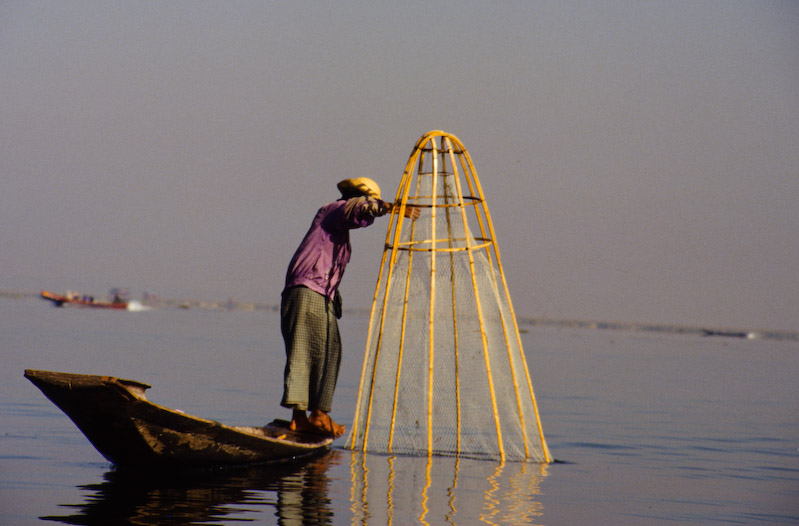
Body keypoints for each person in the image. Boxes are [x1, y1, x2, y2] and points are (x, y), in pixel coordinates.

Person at [280, 177, 419, 438]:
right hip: (306, 290)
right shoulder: (331, 210)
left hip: (319, 295)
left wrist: (335, 298)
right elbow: (361, 208)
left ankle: (318, 413)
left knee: (330, 351)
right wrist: (393, 208)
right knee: (303, 351)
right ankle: (301, 419)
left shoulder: (338, 231)